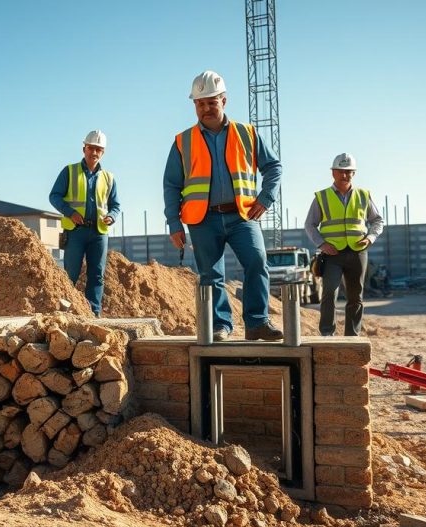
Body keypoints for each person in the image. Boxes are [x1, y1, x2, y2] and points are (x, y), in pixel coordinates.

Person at [163, 70, 283, 341]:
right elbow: (171, 185)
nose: (206, 108)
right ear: (195, 105)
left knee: (257, 261)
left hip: (243, 215)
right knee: (211, 274)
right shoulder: (183, 141)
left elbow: (273, 167)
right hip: (202, 219)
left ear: (224, 101)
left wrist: (265, 198)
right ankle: (221, 325)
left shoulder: (247, 133)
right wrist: (174, 223)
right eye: (200, 103)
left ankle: (256, 323)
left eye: (212, 102)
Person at [304, 153, 385, 336]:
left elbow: (378, 220)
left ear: (354, 173)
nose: (345, 175)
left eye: (349, 172)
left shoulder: (364, 195)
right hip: (332, 254)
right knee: (329, 293)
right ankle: (327, 333)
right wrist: (322, 244)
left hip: (358, 252)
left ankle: (352, 335)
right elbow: (309, 224)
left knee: (356, 297)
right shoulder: (322, 197)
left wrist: (370, 238)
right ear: (333, 172)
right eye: (341, 171)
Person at [49, 129, 121, 316]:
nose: (94, 153)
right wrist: (70, 212)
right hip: (75, 232)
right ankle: (65, 313)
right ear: (84, 149)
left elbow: (115, 205)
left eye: (98, 149)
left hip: (99, 233)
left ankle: (93, 314)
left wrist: (111, 216)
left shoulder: (109, 178)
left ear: (103, 152)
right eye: (91, 148)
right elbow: (54, 196)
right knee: (69, 274)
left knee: (97, 275)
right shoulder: (69, 171)